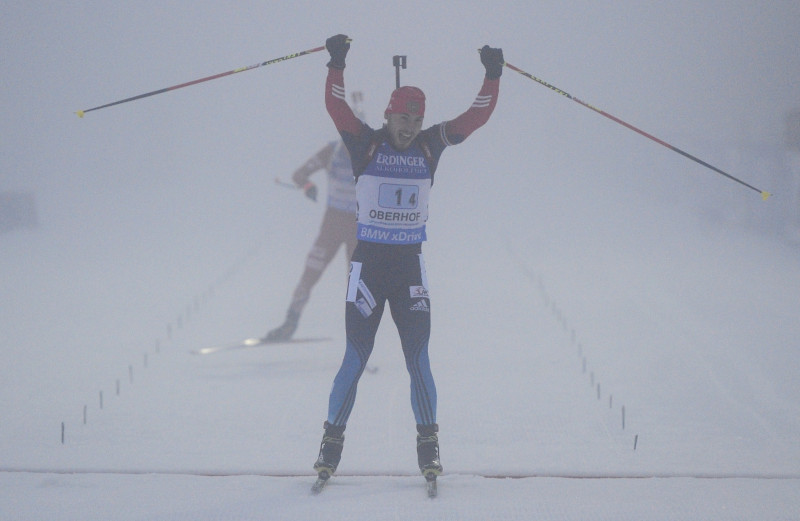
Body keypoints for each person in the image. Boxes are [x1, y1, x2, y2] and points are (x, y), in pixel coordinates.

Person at [312, 34, 503, 485]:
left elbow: (476, 118)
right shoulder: (366, 144)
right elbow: (337, 109)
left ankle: (429, 447)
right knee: (355, 359)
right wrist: (336, 64)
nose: (410, 126)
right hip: (369, 269)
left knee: (419, 361)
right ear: (389, 114)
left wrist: (492, 75)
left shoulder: (430, 146)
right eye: (403, 117)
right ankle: (330, 445)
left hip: (409, 271)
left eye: (416, 119)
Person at [262, 94, 366, 343]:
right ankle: (290, 323)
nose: (353, 137)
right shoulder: (333, 150)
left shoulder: (370, 151)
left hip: (358, 228)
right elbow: (299, 174)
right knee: (311, 273)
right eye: (349, 130)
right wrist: (308, 185)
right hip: (333, 224)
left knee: (357, 283)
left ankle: (361, 334)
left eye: (358, 131)